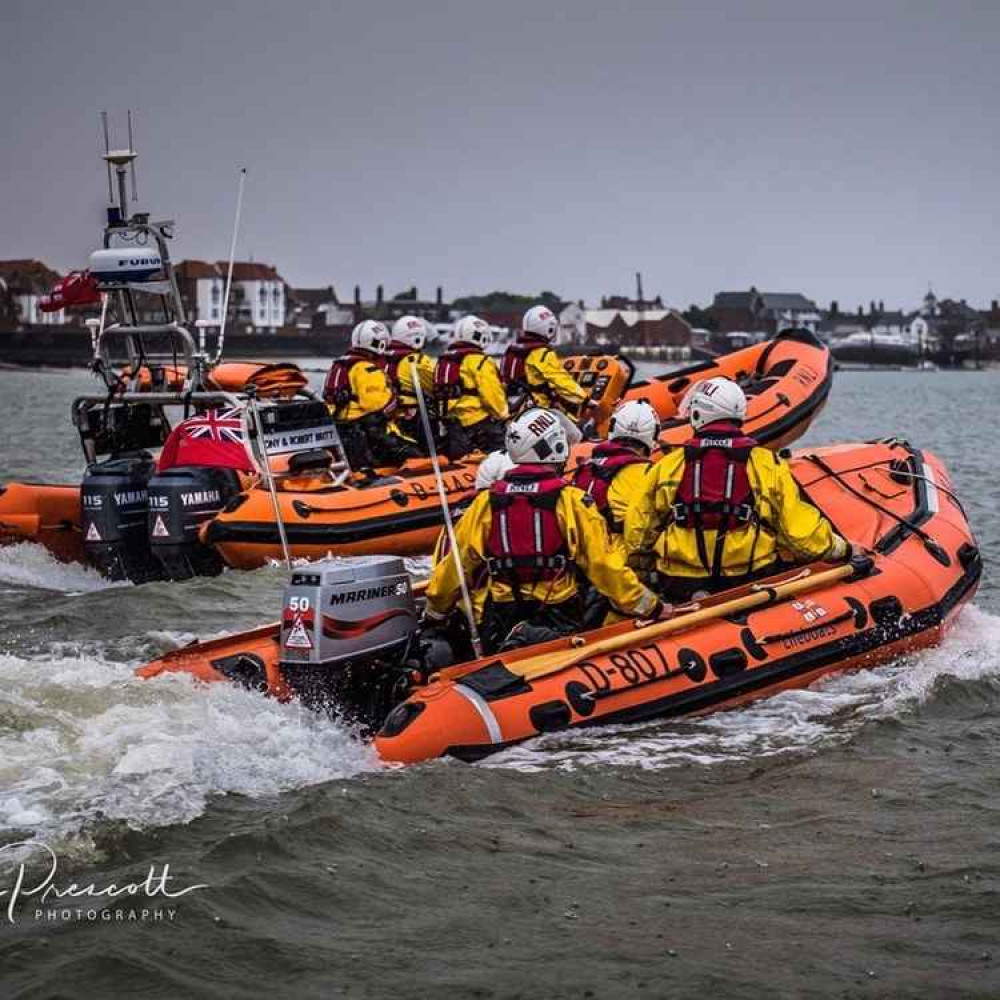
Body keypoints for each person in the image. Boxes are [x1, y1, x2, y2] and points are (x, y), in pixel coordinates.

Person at [425, 408, 663, 653]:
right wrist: (649, 606)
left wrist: (436, 610)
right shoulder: (571, 501)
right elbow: (603, 566)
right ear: (555, 447)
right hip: (558, 610)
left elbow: (457, 564)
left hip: (502, 611)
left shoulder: (485, 503)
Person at [623, 376, 853, 602]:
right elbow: (800, 535)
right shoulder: (766, 465)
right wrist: (843, 549)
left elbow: (638, 533)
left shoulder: (667, 467)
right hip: (749, 581)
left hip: (679, 583)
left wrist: (643, 577)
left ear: (697, 413)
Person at [323, 320, 419, 470]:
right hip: (369, 434)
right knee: (416, 456)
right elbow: (376, 405)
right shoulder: (367, 369)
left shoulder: (340, 365)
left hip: (344, 431)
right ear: (379, 344)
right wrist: (398, 402)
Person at [571, 399, 659, 547]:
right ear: (653, 435)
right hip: (621, 560)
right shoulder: (648, 473)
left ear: (613, 427)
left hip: (582, 557)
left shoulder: (586, 467)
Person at [433, 315, 509, 460]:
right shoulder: (481, 361)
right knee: (508, 448)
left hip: (452, 425)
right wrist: (505, 416)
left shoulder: (444, 360)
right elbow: (492, 397)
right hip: (479, 424)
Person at [500, 304, 590, 418]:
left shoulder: (511, 349)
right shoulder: (542, 353)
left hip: (512, 408)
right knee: (576, 433)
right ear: (549, 328)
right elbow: (561, 380)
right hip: (536, 409)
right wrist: (585, 399)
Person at [383, 315, 436, 448]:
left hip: (386, 418)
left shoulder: (381, 357)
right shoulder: (417, 361)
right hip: (411, 419)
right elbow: (437, 385)